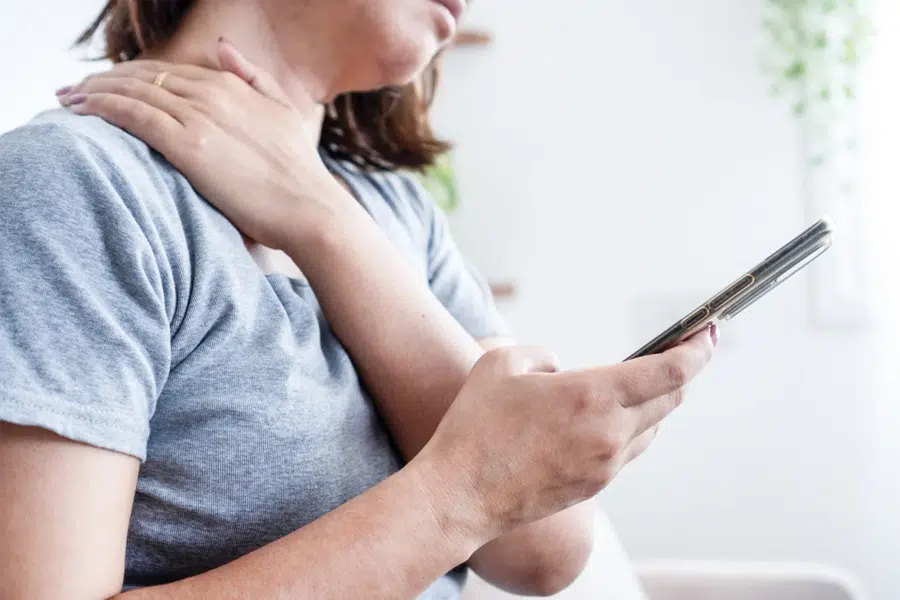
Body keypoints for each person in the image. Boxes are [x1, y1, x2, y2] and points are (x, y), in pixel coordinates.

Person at [0, 1, 717, 598]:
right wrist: (457, 495)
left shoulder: (394, 212)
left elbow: (544, 552)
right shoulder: (76, 183)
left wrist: (324, 222)